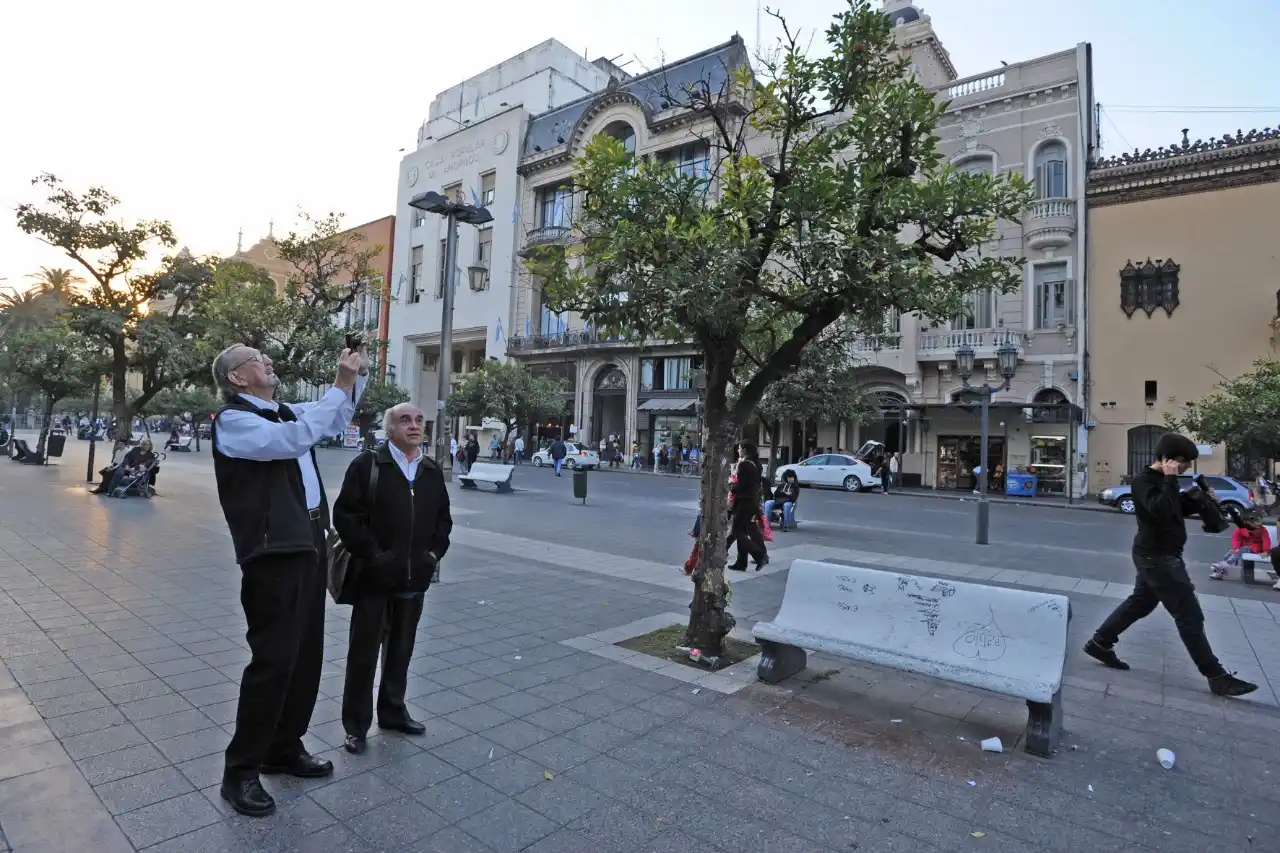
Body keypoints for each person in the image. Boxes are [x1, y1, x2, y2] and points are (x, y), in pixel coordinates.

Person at [210, 343, 368, 817]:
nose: (268, 360)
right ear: (237, 378)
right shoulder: (234, 421)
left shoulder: (282, 411)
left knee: (305, 655)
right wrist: (339, 385)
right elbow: (295, 439)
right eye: (255, 358)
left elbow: (333, 418)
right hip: (272, 550)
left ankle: (285, 744)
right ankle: (240, 771)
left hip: (308, 540)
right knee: (274, 659)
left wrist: (354, 377)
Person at [1084, 433, 1256, 698]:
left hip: (1160, 554)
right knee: (1189, 615)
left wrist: (1200, 498)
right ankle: (1216, 676)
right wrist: (1171, 479)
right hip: (1157, 557)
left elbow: (1175, 510)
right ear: (1168, 460)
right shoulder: (1143, 482)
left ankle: (1100, 642)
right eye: (1183, 462)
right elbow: (1160, 509)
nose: (1186, 467)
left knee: (1142, 602)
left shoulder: (1166, 482)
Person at [333, 403, 451, 755]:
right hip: (375, 579)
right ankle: (356, 726)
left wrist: (432, 557)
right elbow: (347, 517)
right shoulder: (368, 465)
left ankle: (393, 711)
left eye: (419, 420)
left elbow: (443, 522)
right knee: (363, 654)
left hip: (414, 580)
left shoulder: (429, 470)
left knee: (401, 651)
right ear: (390, 430)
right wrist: (376, 557)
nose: (414, 425)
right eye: (405, 420)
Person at [727, 442, 768, 571]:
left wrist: (731, 487)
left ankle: (759, 554)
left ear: (744, 450)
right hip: (751, 502)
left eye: (739, 449)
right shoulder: (756, 464)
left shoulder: (744, 464)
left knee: (737, 532)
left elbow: (741, 485)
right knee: (743, 531)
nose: (737, 451)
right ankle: (741, 561)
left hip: (744, 502)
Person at [1211, 508, 1270, 580]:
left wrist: (1266, 551)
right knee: (1229, 553)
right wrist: (1236, 548)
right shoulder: (1240, 529)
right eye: (1256, 521)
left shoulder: (1262, 530)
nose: (1260, 523)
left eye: (1260, 520)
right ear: (1247, 522)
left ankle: (1223, 565)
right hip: (1242, 548)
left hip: (1256, 549)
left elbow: (1266, 540)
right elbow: (1236, 539)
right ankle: (1220, 571)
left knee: (1242, 550)